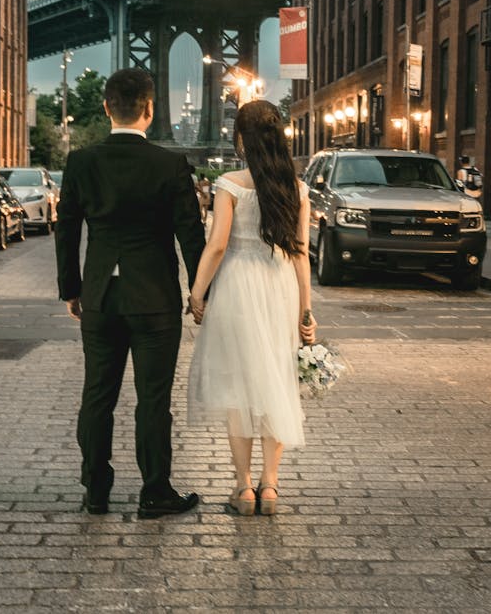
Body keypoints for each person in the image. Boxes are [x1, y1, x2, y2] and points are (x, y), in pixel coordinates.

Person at [55, 68, 205, 518]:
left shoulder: (81, 163)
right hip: (154, 299)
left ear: (105, 108)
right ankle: (155, 491)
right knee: (153, 400)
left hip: (100, 296)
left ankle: (95, 490)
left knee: (97, 395)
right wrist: (200, 292)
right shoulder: (169, 164)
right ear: (150, 109)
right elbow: (190, 234)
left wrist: (72, 288)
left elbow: (66, 231)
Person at [186, 99, 316, 517]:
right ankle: (271, 486)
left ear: (240, 139)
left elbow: (219, 245)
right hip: (279, 287)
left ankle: (243, 488)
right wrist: (306, 311)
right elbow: (301, 253)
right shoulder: (296, 189)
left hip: (239, 288)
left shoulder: (230, 184)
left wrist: (197, 292)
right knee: (277, 380)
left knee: (239, 386)